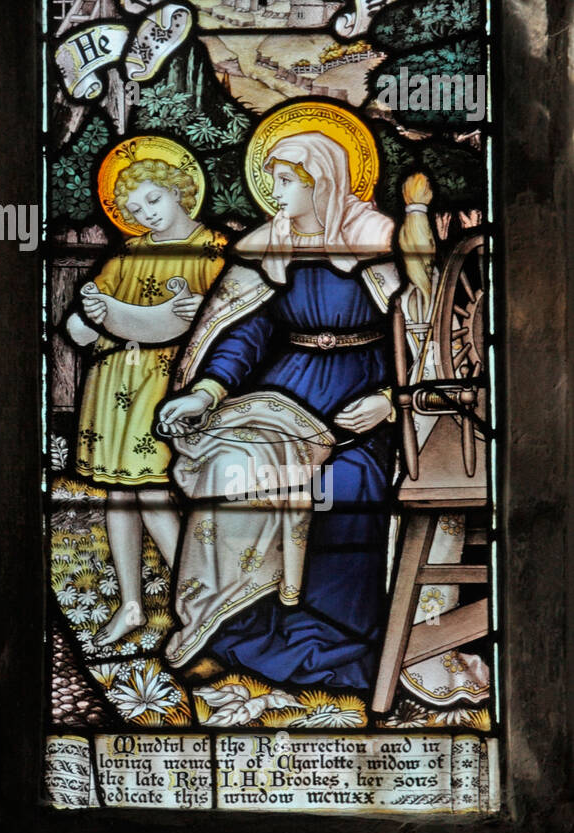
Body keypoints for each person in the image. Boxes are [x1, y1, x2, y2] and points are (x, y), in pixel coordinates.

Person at [157, 129, 400, 690]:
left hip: (360, 400)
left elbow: (417, 336)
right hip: (282, 392)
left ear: (325, 182)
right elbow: (245, 332)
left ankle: (339, 634)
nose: (276, 191)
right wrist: (208, 391)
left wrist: (391, 402)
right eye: (272, 179)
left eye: (287, 180)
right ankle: (229, 629)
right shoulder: (268, 247)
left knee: (346, 482)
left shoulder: (378, 241)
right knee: (230, 469)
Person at [65, 155, 224, 646]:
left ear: (181, 189)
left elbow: (229, 323)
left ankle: (203, 603)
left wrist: (199, 313)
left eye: (154, 199)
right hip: (112, 384)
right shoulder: (127, 255)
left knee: (153, 492)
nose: (147, 213)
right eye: (136, 208)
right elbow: (77, 329)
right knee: (119, 494)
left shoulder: (214, 252)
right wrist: (91, 315)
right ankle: (131, 605)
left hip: (167, 388)